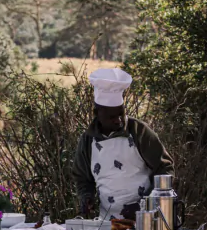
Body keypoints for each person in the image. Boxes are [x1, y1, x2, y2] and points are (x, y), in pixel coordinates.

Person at [72, 68, 175, 219]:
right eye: (111, 116)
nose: (118, 120)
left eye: (121, 113)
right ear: (97, 114)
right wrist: (87, 197)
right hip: (107, 222)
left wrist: (145, 204)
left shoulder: (138, 131)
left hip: (147, 219)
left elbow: (165, 169)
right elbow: (82, 178)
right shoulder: (88, 140)